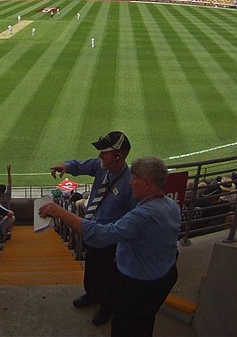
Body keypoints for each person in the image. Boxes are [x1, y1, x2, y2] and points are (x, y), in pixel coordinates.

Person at [39, 156, 180, 337]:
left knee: (123, 325)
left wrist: (60, 212)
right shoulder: (171, 205)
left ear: (147, 184)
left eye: (135, 179)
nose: (131, 182)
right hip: (164, 275)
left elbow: (102, 235)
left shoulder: (142, 216)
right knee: (144, 320)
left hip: (139, 284)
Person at [50, 131, 134, 326]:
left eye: (104, 152)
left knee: (109, 275)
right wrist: (66, 166)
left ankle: (107, 306)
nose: (100, 156)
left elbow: (131, 218)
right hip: (91, 231)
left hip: (109, 240)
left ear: (118, 156)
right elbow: (82, 165)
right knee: (92, 267)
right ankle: (92, 294)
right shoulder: (101, 166)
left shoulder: (129, 184)